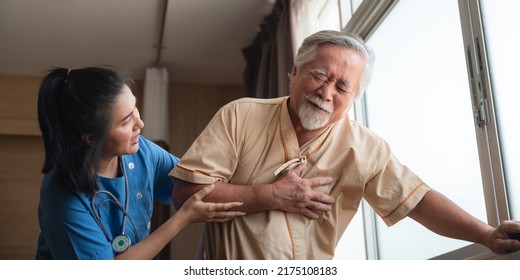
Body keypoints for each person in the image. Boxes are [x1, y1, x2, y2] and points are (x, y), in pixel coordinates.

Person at [170, 30, 520, 259]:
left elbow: (418, 201)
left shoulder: (366, 148)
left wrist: (486, 234)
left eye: (342, 86)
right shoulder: (240, 115)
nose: (326, 93)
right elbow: (187, 193)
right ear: (293, 72)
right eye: (319, 75)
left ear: (354, 97)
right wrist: (271, 196)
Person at [35, 67, 244, 260]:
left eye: (135, 109)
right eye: (126, 121)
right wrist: (182, 219)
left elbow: (193, 184)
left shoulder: (142, 152)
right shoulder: (61, 196)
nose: (140, 124)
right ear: (91, 138)